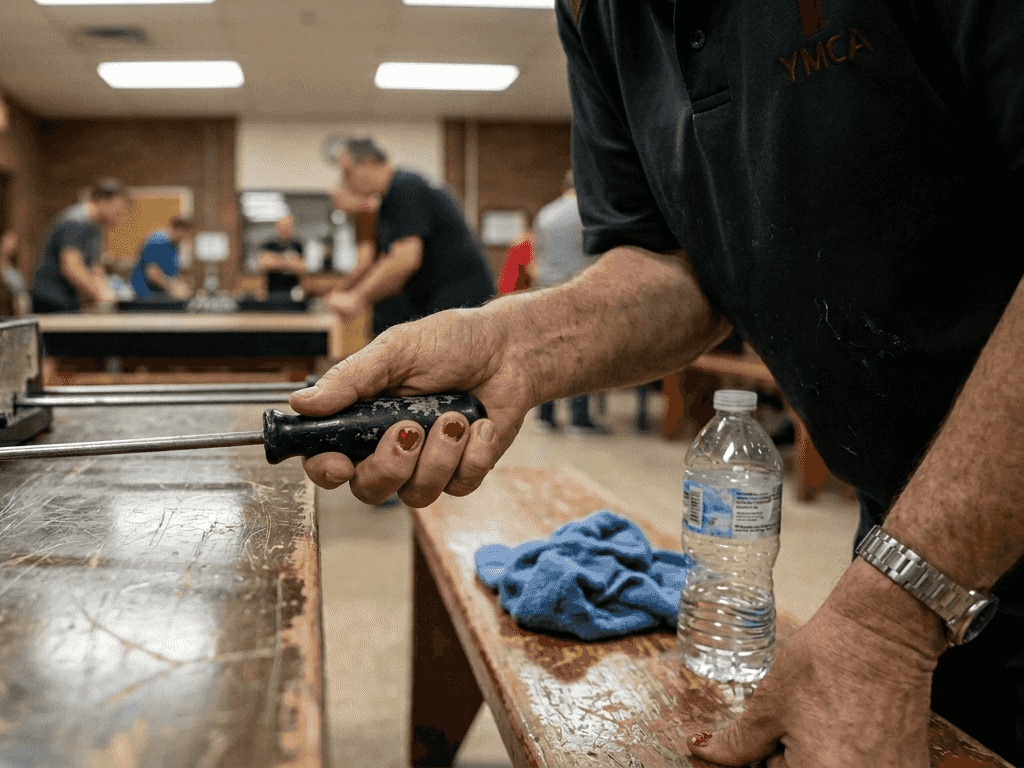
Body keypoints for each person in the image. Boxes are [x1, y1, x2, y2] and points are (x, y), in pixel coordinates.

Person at [289, 3, 1024, 765]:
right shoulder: (595, 11)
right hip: (916, 532)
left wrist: (887, 620)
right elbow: (674, 270)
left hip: (942, 544)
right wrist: (514, 344)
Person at [325, 138, 495, 335]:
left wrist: (357, 297)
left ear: (367, 163)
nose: (346, 182)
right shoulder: (392, 197)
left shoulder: (404, 188)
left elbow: (405, 259)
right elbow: (387, 260)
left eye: (348, 173)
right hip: (447, 299)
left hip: (460, 298)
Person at [532, 173, 652, 434]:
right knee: (580, 353)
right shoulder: (588, 214)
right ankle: (579, 418)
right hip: (577, 290)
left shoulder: (545, 213)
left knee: (548, 354)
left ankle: (545, 416)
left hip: (545, 289)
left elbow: (538, 254)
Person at [30, 178, 131, 313]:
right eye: (117, 209)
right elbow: (71, 267)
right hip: (51, 299)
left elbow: (94, 267)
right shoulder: (76, 221)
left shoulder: (97, 227)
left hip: (69, 299)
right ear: (102, 201)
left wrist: (105, 289)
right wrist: (100, 294)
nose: (118, 216)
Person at [129, 216, 193, 300]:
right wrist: (173, 288)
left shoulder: (174, 244)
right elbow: (152, 272)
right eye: (186, 234)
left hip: (160, 293)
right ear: (180, 230)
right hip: (146, 295)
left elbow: (171, 271)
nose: (186, 238)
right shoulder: (158, 241)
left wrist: (181, 283)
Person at [257, 214, 306, 299]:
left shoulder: (298, 245)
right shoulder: (269, 245)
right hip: (271, 292)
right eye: (282, 226)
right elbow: (264, 264)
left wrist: (275, 260)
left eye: (288, 226)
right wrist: (289, 261)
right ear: (277, 227)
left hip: (294, 293)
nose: (285, 229)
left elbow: (301, 267)